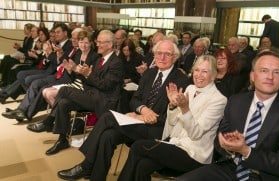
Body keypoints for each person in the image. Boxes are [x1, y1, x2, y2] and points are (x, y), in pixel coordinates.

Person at [57, 39, 189, 181]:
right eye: (159, 53)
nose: (162, 58)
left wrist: (143, 117)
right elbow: (135, 100)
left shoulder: (182, 80)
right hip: (138, 123)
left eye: (167, 54)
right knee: (107, 136)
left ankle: (86, 165)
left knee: (108, 117)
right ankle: (96, 176)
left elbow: (177, 114)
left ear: (175, 57)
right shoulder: (149, 73)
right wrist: (142, 110)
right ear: (154, 55)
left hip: (158, 128)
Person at [176, 51, 279, 181]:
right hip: (231, 168)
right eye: (264, 71)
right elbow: (219, 141)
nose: (270, 77)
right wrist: (229, 146)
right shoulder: (236, 102)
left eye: (276, 72)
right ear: (252, 76)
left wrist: (246, 151)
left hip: (265, 175)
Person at [118, 55, 227, 181]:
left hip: (194, 155)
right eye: (197, 70)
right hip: (176, 145)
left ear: (214, 75)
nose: (198, 75)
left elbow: (196, 133)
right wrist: (173, 106)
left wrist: (185, 108)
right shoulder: (191, 89)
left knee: (138, 146)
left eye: (204, 71)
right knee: (142, 165)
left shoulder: (219, 100)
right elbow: (172, 122)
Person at [29, 29, 124, 156]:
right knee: (63, 103)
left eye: (100, 42)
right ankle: (62, 140)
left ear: (110, 45)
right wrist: (80, 73)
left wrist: (88, 74)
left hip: (103, 100)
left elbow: (106, 86)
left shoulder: (116, 62)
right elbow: (90, 82)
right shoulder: (101, 59)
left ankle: (49, 120)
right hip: (91, 93)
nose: (97, 44)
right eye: (97, 42)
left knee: (63, 90)